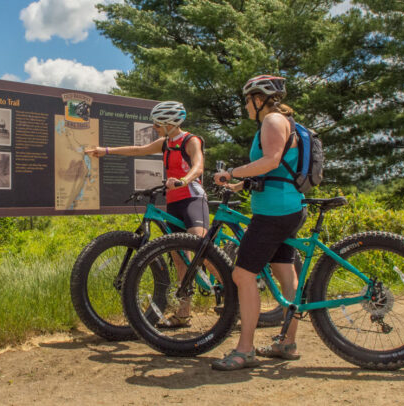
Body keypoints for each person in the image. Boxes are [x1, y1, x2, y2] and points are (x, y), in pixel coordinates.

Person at [210, 75, 307, 370]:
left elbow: (272, 160)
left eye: (247, 100)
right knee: (283, 270)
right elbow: (276, 171)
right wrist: (241, 186)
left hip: (274, 213)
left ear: (260, 98)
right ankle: (287, 343)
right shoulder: (282, 121)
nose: (245, 106)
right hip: (288, 206)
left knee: (242, 275)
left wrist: (233, 173)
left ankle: (244, 349)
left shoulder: (272, 121)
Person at [85, 101, 208, 327]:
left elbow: (198, 166)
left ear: (171, 124)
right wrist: (106, 151)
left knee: (202, 248)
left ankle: (233, 297)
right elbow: (137, 150)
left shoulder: (191, 140)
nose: (154, 127)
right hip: (173, 202)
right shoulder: (165, 143)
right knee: (180, 258)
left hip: (192, 197)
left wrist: (183, 181)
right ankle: (184, 313)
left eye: (158, 124)